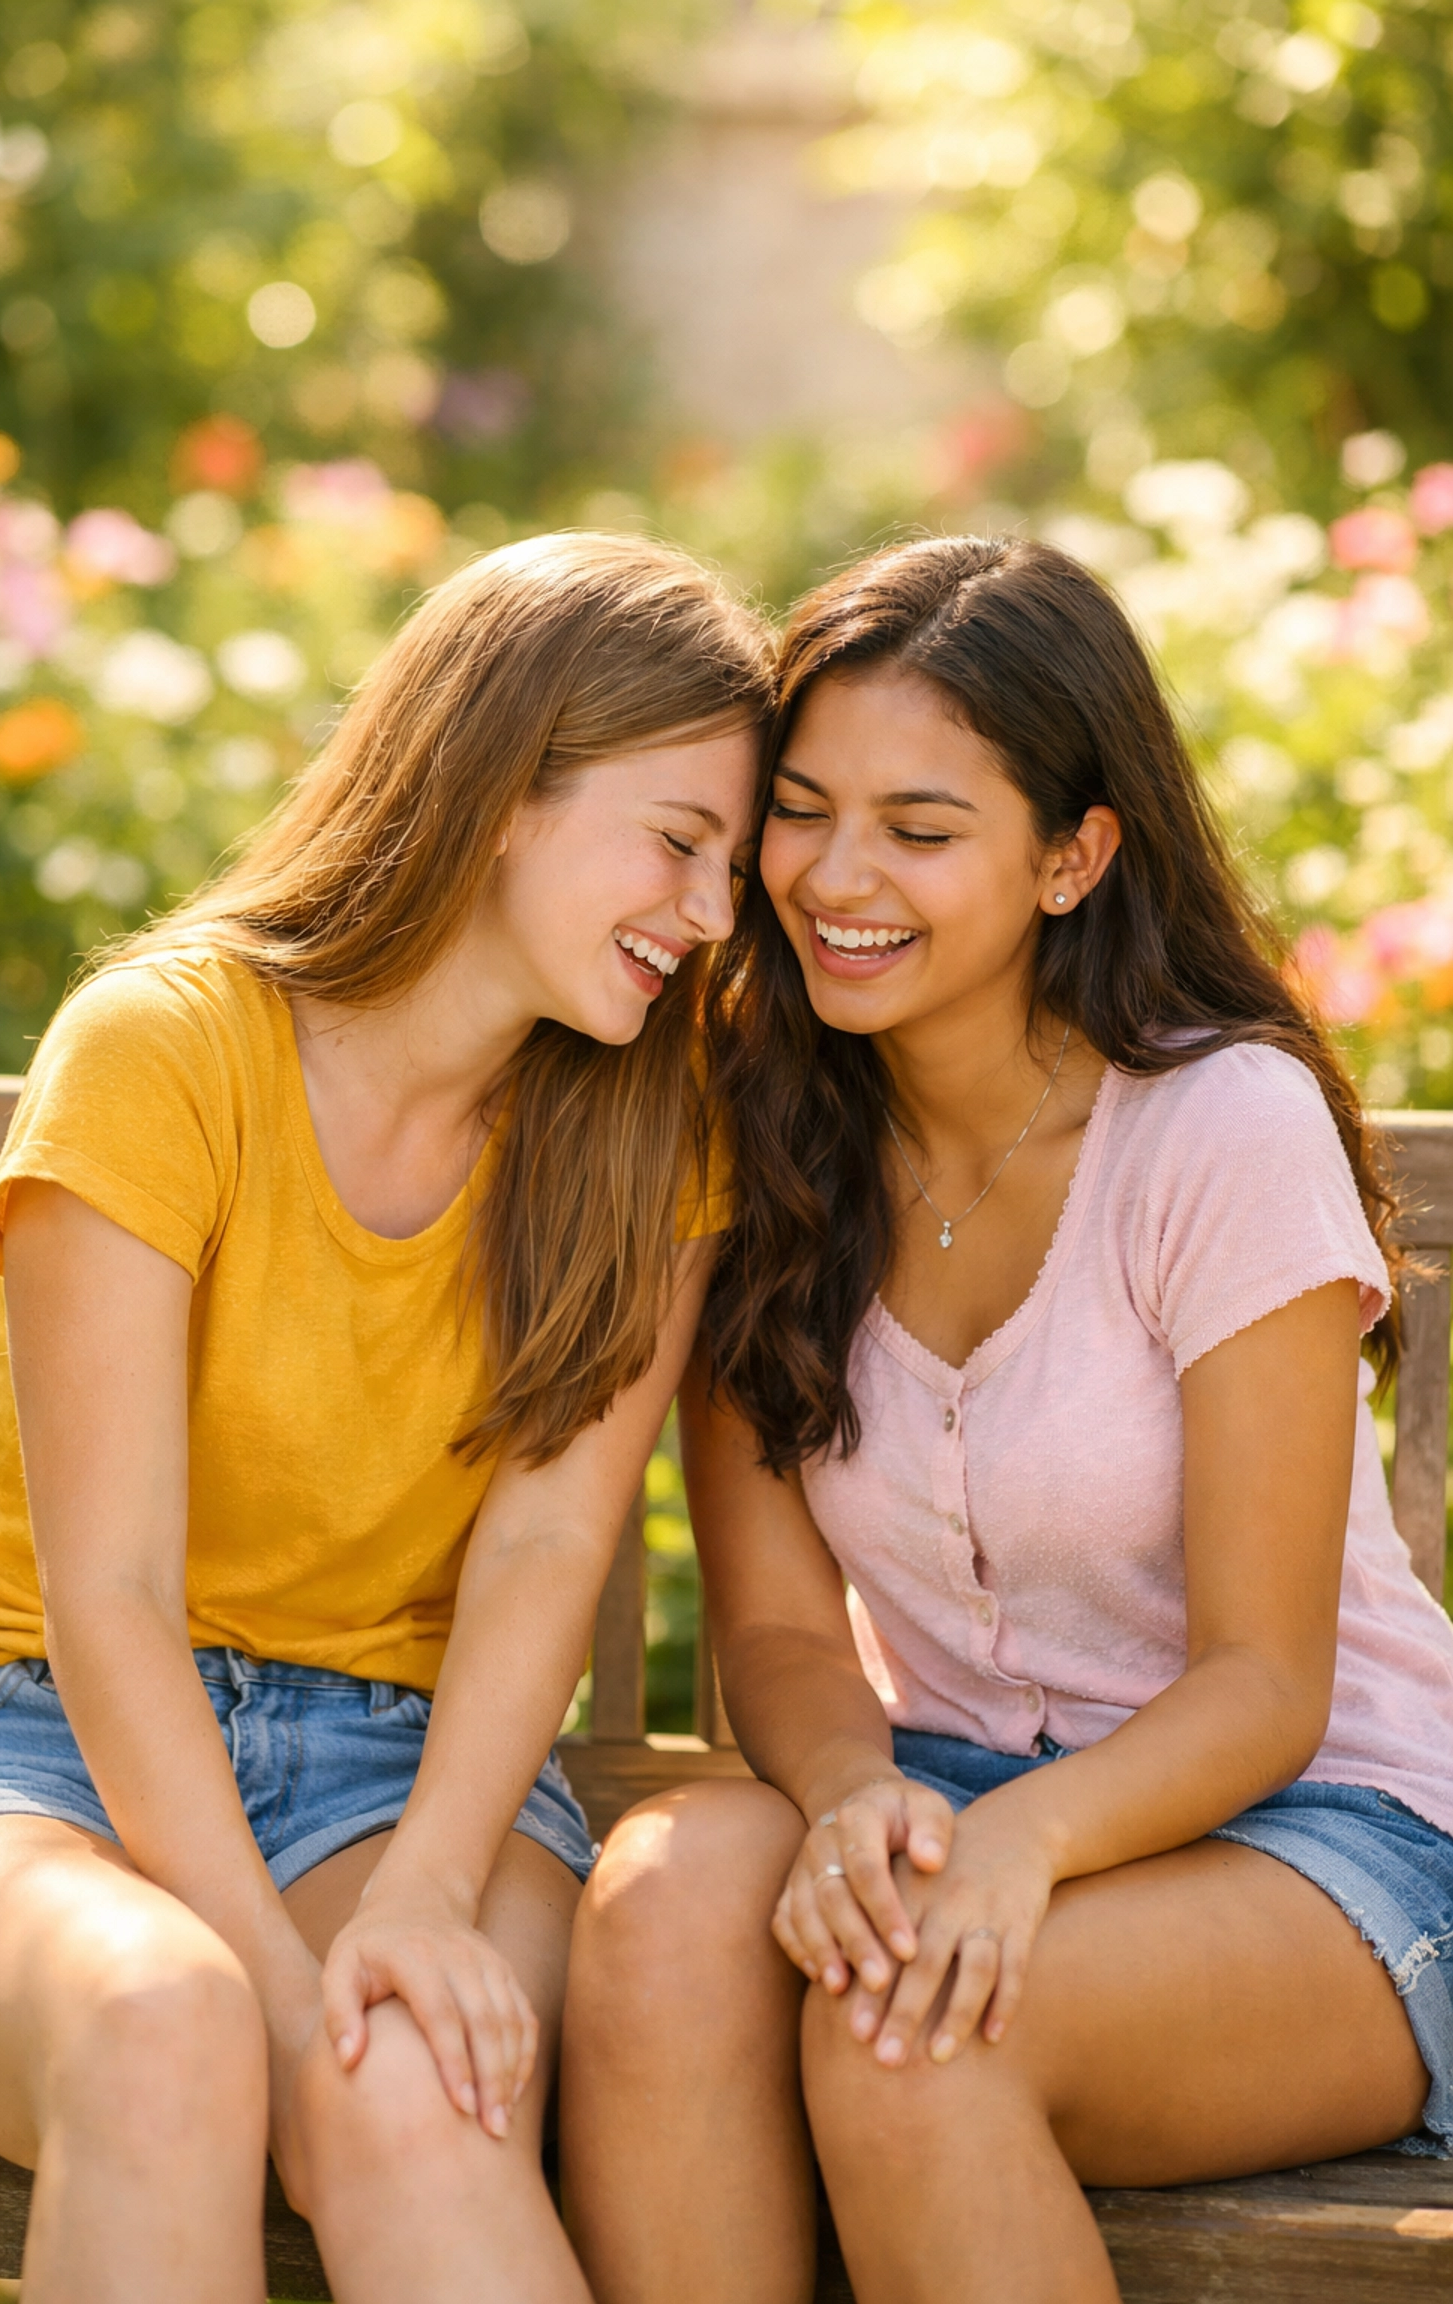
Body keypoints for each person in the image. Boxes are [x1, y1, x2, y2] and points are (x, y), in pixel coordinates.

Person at [560, 535, 1453, 2304]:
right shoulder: (759, 1138)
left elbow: (1265, 1684)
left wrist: (1014, 1847)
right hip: (941, 1797)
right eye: (800, 812)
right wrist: (846, 1801)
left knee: (912, 2022)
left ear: (1074, 854)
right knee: (662, 1908)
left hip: (1323, 1840)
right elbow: (771, 1627)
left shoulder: (1217, 1131)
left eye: (922, 826)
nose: (835, 877)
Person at [0, 532, 768, 2304]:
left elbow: (546, 1543)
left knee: (396, 2096)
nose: (708, 917)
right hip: (34, 1745)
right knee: (173, 2033)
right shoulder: (166, 1050)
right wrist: (279, 2000)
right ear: (503, 786)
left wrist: (424, 1900)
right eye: (681, 843)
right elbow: (113, 1600)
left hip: (414, 1774)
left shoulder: (643, 1131)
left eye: (731, 872)